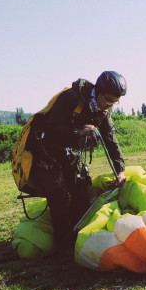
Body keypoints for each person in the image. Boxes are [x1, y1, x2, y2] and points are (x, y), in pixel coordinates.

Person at [25, 71, 127, 252]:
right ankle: (65, 246)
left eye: (115, 102)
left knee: (81, 190)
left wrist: (120, 171)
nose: (110, 105)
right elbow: (52, 129)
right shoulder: (72, 98)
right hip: (44, 149)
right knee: (58, 192)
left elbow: (111, 141)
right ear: (98, 91)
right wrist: (79, 133)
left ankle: (79, 235)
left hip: (67, 151)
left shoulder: (102, 112)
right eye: (108, 99)